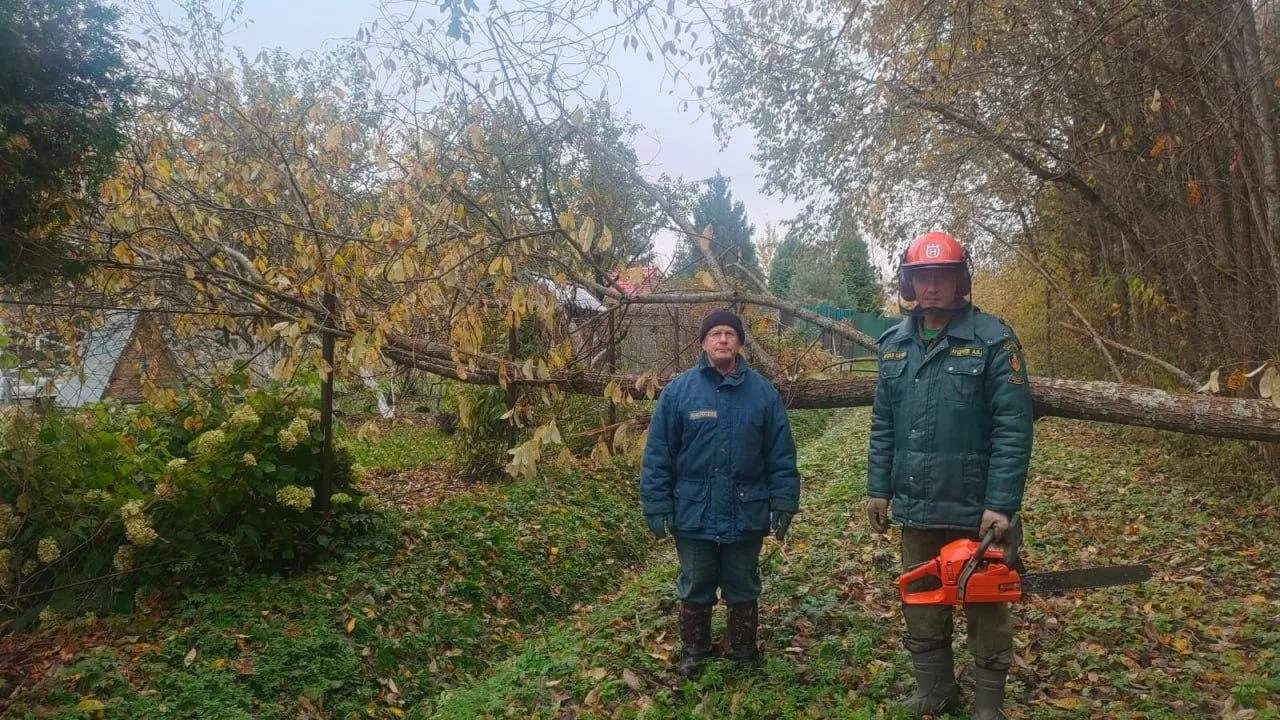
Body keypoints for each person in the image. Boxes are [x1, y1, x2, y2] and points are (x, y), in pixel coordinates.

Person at [865, 232, 1034, 719]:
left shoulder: (994, 341)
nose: (932, 287)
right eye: (922, 277)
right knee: (921, 597)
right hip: (915, 502)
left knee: (985, 603)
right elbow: (883, 423)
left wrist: (1001, 504)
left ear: (961, 281)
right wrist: (878, 488)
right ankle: (935, 689)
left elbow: (1013, 427)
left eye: (942, 276)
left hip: (975, 507)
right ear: (908, 283)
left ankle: (988, 705)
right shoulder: (894, 345)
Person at [640, 308, 801, 677]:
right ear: (703, 343)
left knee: (743, 583)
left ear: (740, 342)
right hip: (693, 511)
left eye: (730, 333)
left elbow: (780, 454)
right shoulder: (679, 392)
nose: (723, 339)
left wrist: (784, 500)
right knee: (696, 581)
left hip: (747, 510)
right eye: (716, 334)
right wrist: (656, 503)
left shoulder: (763, 393)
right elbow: (659, 454)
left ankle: (743, 651)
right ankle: (695, 651)